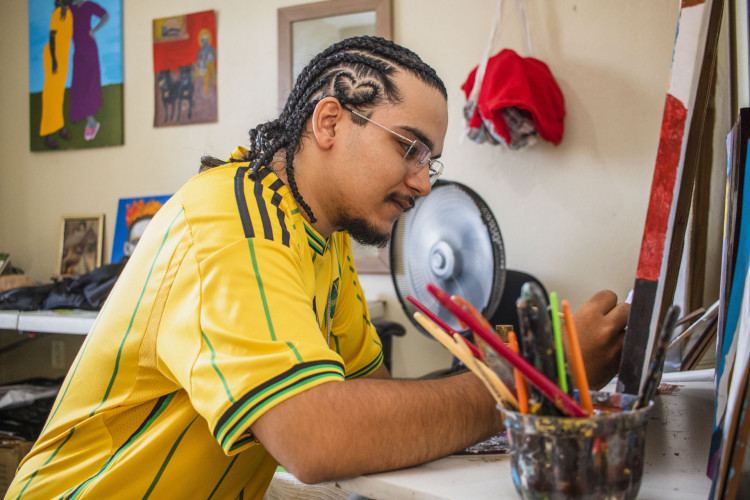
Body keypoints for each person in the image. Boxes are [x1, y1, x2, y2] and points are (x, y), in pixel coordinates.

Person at [7, 36, 628, 498]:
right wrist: (541, 377)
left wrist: (513, 368)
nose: (422, 182)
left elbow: (371, 402)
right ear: (329, 120)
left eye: (430, 161)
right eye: (408, 147)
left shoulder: (321, 237)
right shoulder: (230, 223)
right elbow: (317, 439)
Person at [69, 0, 109, 141]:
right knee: (79, 84)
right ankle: (87, 118)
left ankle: (91, 120)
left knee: (89, 83)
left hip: (89, 49)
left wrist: (94, 30)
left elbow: (105, 15)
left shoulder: (89, 5)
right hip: (78, 51)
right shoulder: (70, 7)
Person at [39, 0, 73, 150]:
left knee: (59, 95)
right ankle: (47, 135)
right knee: (51, 94)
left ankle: (60, 127)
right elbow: (52, 37)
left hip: (62, 57)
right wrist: (54, 60)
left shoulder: (69, 13)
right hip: (54, 57)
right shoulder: (58, 13)